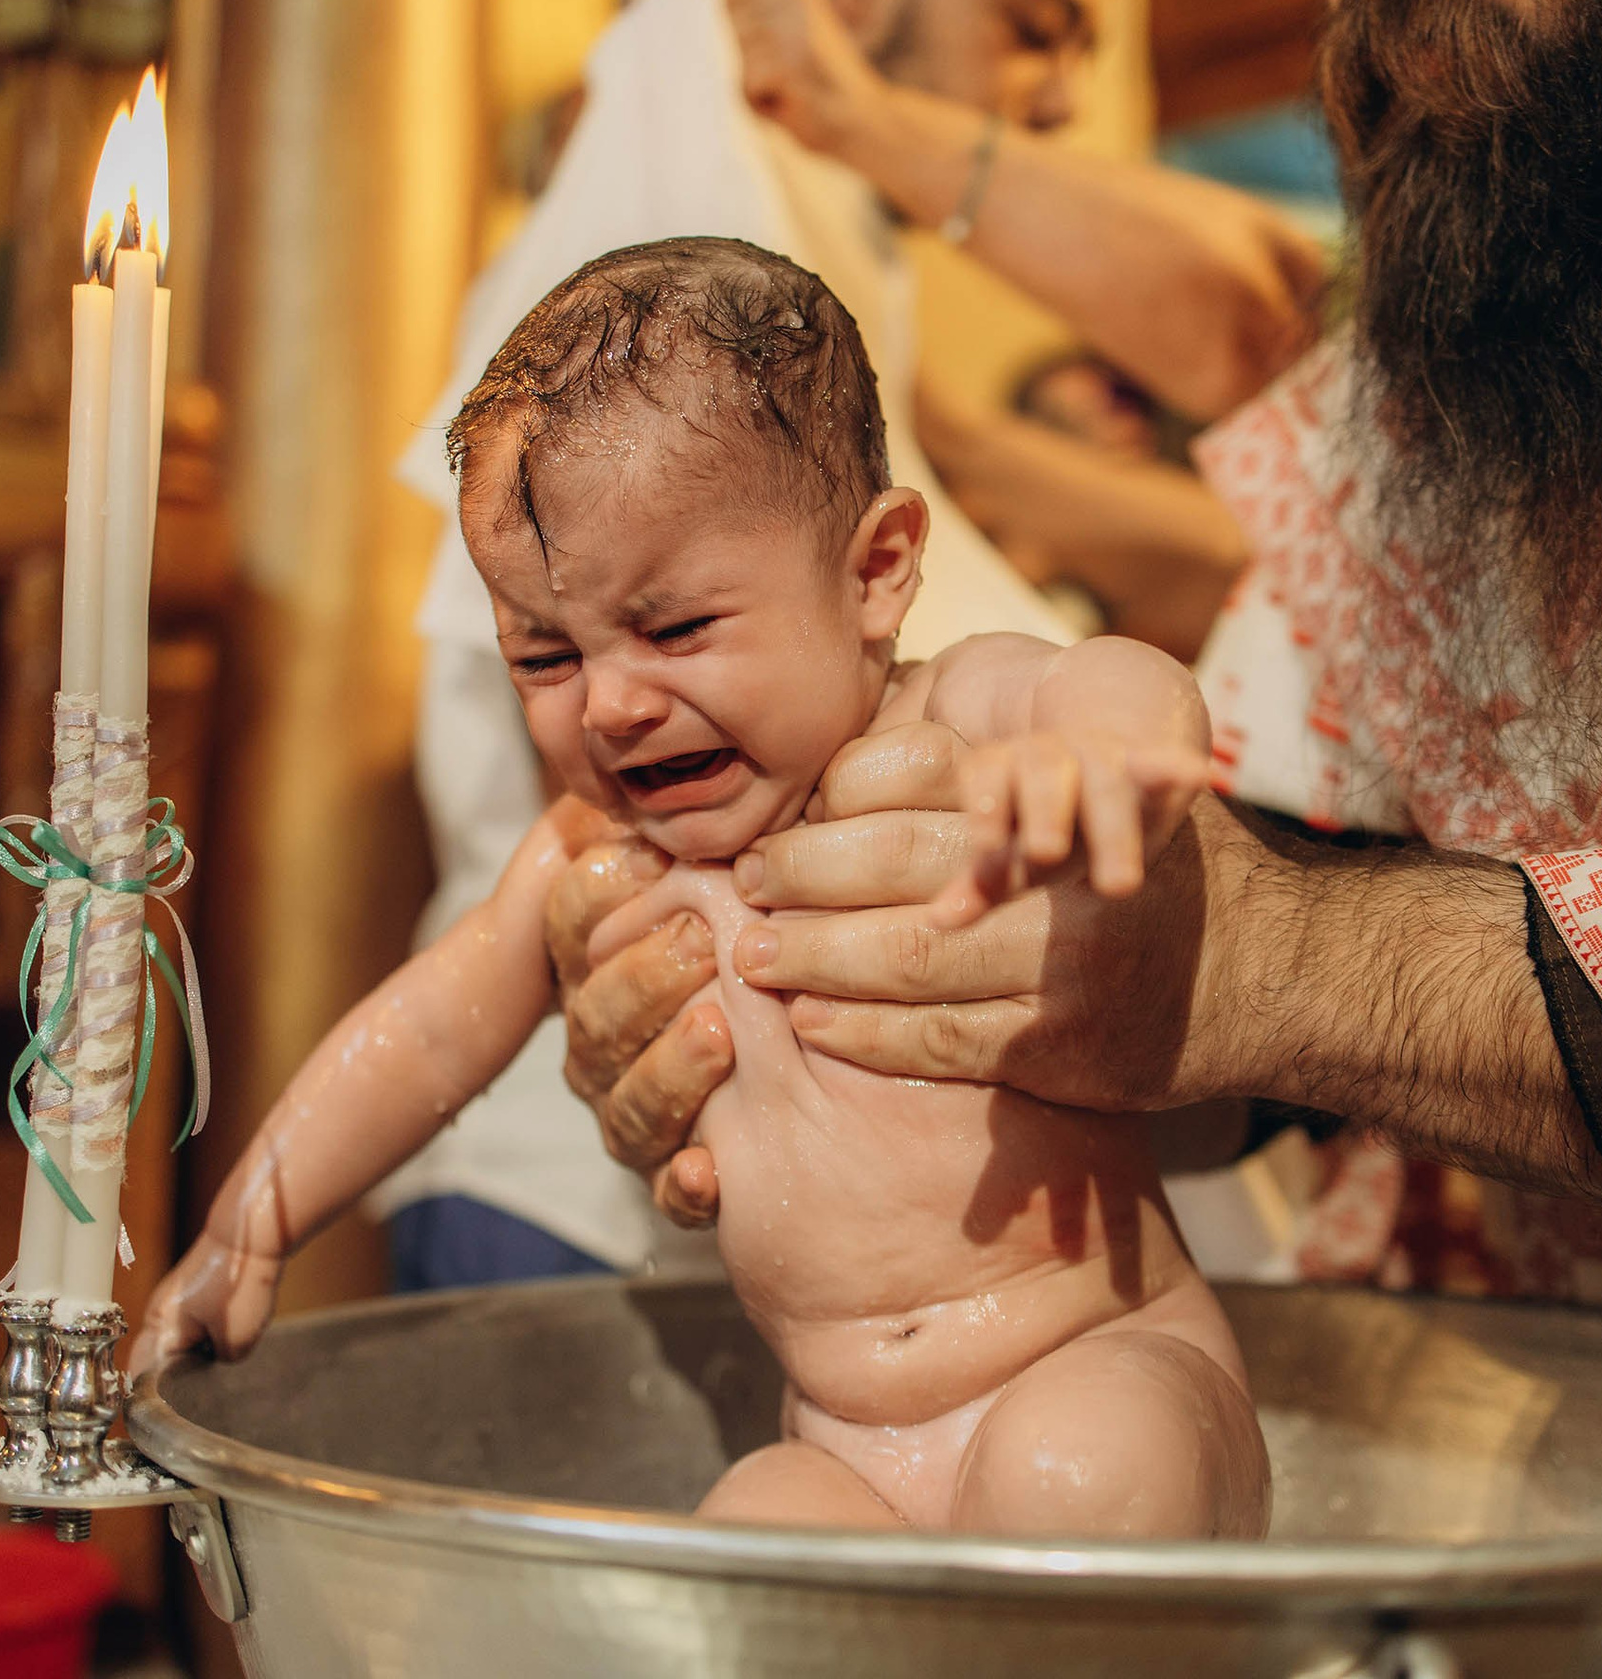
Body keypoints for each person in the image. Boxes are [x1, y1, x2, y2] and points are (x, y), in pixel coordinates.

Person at [542, 0, 1602, 1668]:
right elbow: (1298, 877)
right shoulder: (1522, 195)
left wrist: (1265, 959)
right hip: (1548, 1498)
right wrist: (870, 1037)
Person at [137, 238, 1271, 1538]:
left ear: (875, 571)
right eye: (546, 654)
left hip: (1101, 1359)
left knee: (1070, 1474)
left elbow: (1103, 675)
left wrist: (1101, 754)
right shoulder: (595, 857)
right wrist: (255, 1215)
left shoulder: (941, 722)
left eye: (677, 629)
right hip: (849, 1444)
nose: (614, 703)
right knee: (753, 1531)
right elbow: (428, 1031)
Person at [379, 0, 1323, 1292]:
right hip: (616, 1219)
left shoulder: (830, 245)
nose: (1060, 102)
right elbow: (628, 862)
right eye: (1034, 26)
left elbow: (1271, 331)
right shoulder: (678, 267)